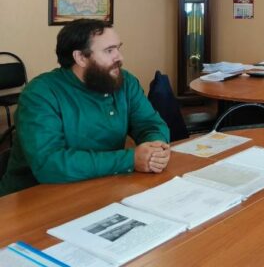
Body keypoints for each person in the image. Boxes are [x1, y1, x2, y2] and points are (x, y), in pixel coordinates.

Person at [0, 19, 171, 196]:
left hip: (103, 186)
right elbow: (49, 164)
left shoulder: (125, 81)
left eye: (118, 48)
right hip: (32, 197)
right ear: (81, 57)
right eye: (109, 50)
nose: (120, 57)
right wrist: (130, 159)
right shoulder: (39, 94)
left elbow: (150, 123)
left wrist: (156, 148)